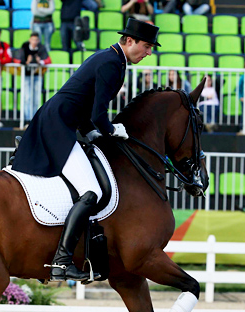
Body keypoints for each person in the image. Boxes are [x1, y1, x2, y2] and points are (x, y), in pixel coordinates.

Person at [12, 19, 158, 282]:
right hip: (58, 126)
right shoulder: (112, 63)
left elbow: (87, 104)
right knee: (91, 192)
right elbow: (99, 112)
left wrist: (91, 130)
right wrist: (112, 130)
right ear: (129, 41)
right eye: (146, 46)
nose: (149, 53)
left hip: (66, 121)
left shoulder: (112, 58)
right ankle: (62, 261)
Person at [21, 32, 51, 124]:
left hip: (37, 76)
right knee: (27, 97)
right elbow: (18, 59)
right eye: (33, 39)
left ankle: (34, 119)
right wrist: (27, 61)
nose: (34, 42)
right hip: (26, 75)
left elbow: (48, 60)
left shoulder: (41, 48)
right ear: (30, 39)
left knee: (36, 98)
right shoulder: (25, 46)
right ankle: (27, 119)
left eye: (36, 40)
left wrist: (40, 61)